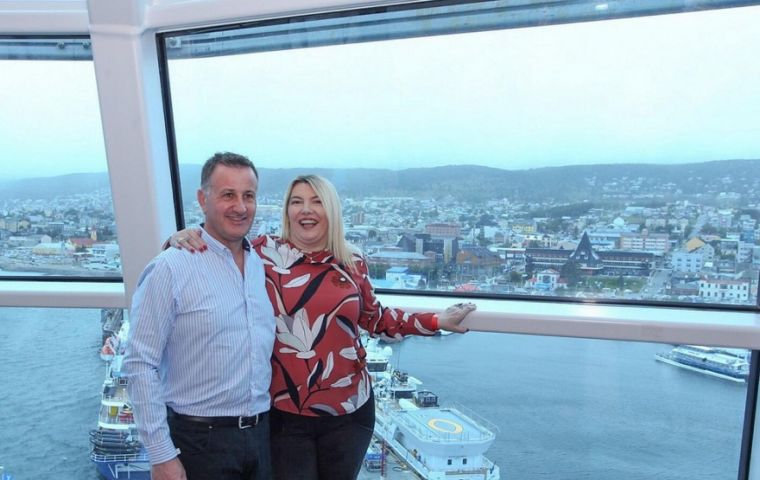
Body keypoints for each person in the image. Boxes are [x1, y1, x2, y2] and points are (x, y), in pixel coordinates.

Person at [170, 174, 476, 480]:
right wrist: (181, 238)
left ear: (331, 210)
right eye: (297, 202)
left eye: (317, 201)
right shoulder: (260, 253)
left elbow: (376, 319)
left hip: (351, 412)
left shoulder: (351, 260)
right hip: (285, 413)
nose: (306, 210)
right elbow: (210, 252)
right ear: (287, 211)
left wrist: (436, 321)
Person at [124, 152, 276, 480]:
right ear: (202, 199)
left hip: (261, 439)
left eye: (248, 196)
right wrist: (161, 455)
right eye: (227, 195)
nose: (240, 206)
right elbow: (140, 363)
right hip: (198, 444)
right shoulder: (171, 267)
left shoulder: (260, 266)